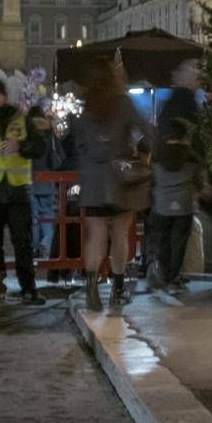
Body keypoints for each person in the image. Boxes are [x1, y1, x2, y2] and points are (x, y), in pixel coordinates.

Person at [78, 59, 152, 311]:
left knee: (96, 235)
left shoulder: (87, 107)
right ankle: (117, 290)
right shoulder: (123, 103)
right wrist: (142, 153)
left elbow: (78, 144)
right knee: (120, 234)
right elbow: (147, 131)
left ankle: (91, 288)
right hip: (120, 179)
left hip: (93, 180)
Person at [0, 79, 49, 305]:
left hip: (17, 189)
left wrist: (20, 147)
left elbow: (40, 147)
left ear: (5, 96)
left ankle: (28, 289)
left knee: (23, 242)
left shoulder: (21, 120)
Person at [148, 59, 205, 291]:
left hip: (164, 181)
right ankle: (173, 276)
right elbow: (198, 143)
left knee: (164, 231)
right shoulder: (190, 104)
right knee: (180, 233)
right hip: (183, 181)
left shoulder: (168, 105)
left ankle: (165, 273)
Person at [28, 102, 61, 265]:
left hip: (30, 180)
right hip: (48, 180)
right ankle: (47, 246)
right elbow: (60, 153)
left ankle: (34, 249)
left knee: (33, 217)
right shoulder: (49, 132)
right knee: (48, 215)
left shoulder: (27, 131)